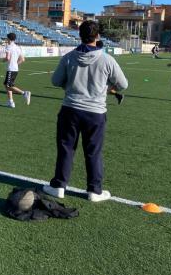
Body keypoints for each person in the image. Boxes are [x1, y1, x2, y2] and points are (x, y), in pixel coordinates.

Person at [43, 20, 128, 203]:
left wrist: (71, 85)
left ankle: (58, 186)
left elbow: (56, 81)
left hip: (70, 109)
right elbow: (123, 84)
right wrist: (103, 87)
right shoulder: (107, 59)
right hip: (95, 113)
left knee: (66, 149)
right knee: (93, 151)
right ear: (97, 37)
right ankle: (94, 191)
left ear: (79, 35)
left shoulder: (69, 57)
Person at [4, 33, 31, 108]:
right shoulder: (18, 47)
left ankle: (24, 93)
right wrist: (16, 64)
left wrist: (3, 60)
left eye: (7, 38)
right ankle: (11, 102)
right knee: (6, 85)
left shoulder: (8, 47)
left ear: (8, 39)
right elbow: (22, 59)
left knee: (9, 85)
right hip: (15, 69)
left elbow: (7, 58)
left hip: (11, 69)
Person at [96, 40, 124, 105]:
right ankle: (118, 96)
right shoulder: (105, 55)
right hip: (105, 72)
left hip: (101, 73)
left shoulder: (98, 55)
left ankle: (117, 95)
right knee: (105, 88)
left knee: (102, 87)